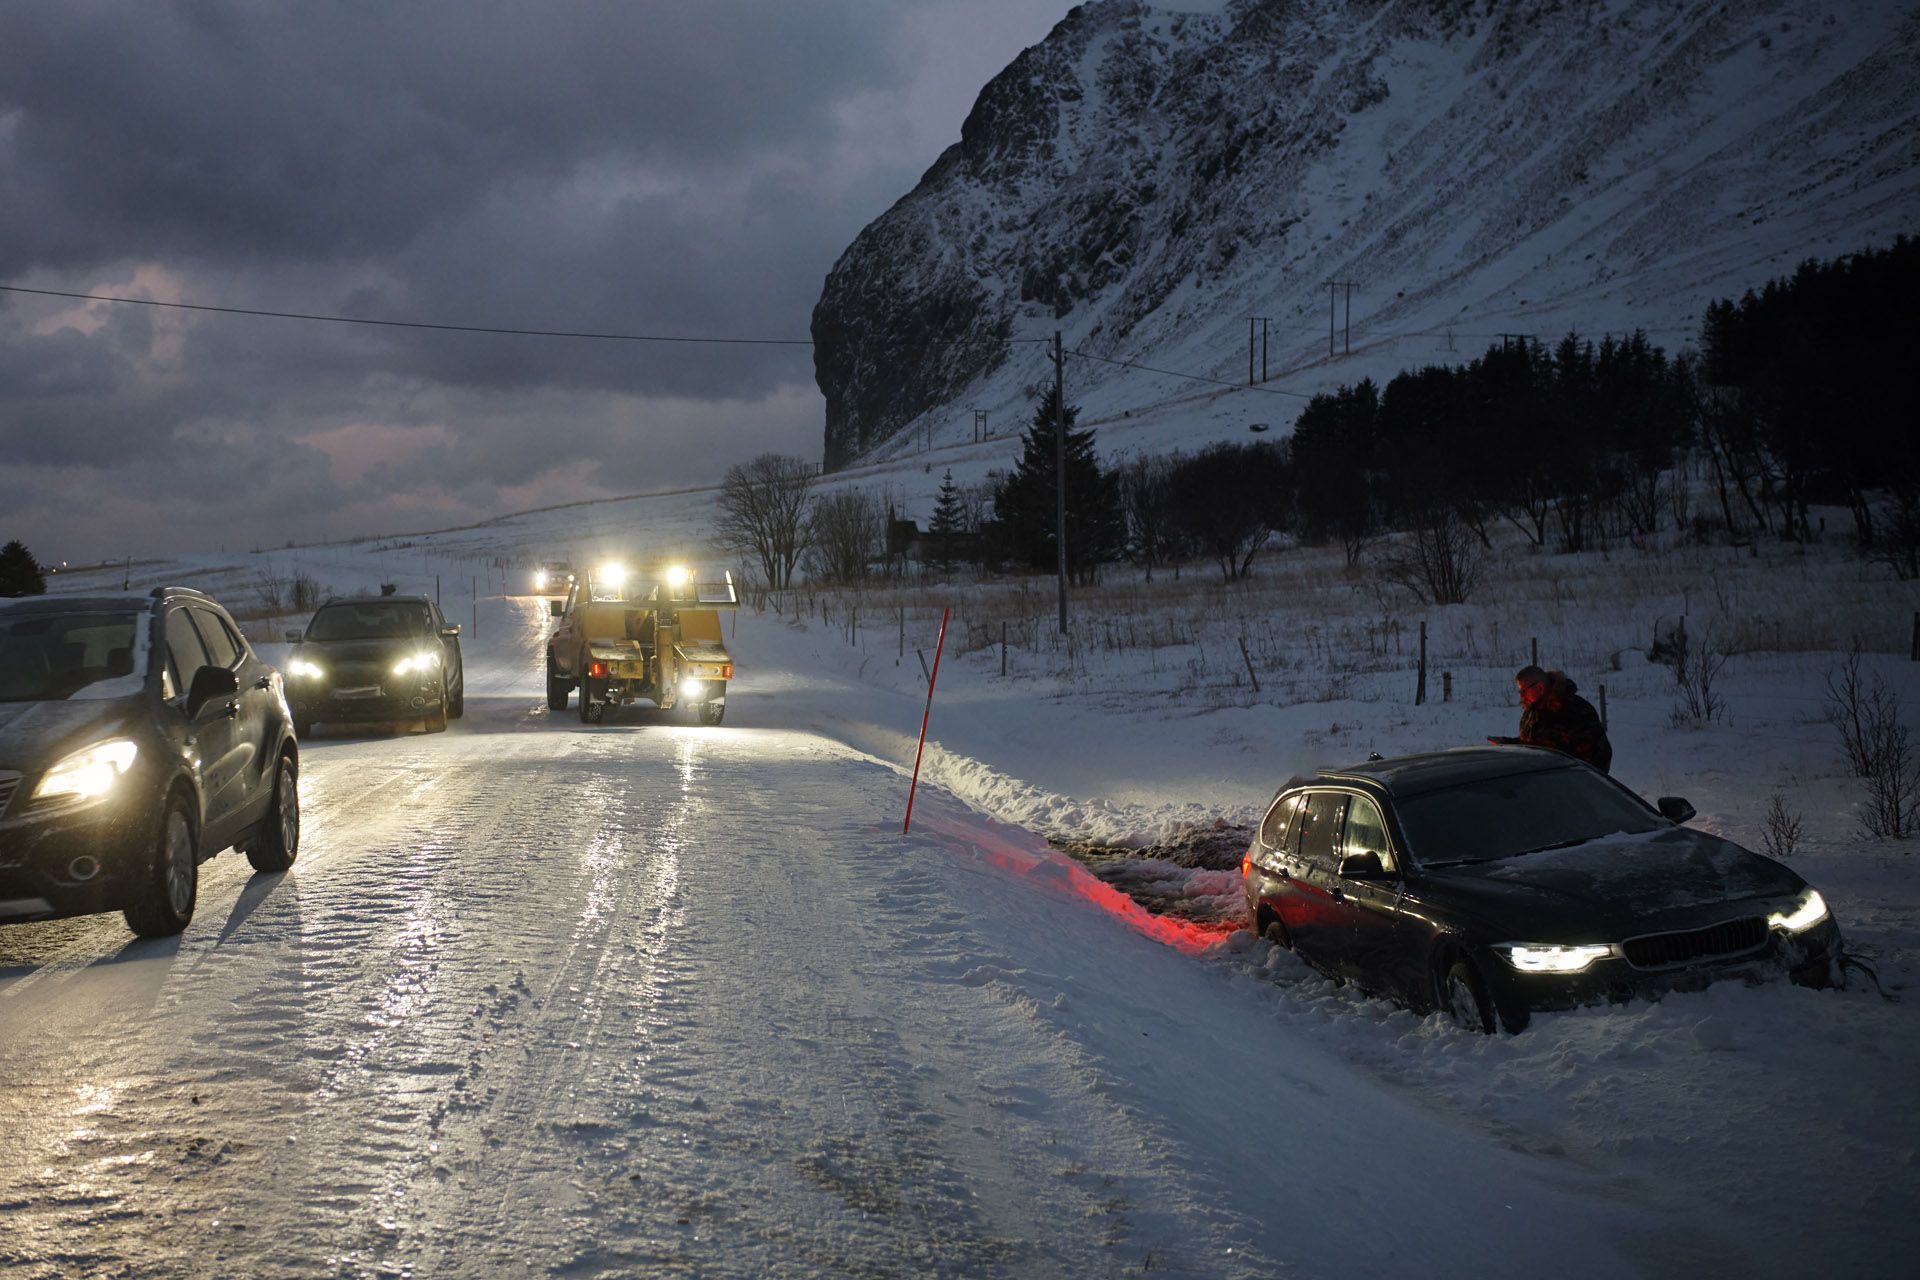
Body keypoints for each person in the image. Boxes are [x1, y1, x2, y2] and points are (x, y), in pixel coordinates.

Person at [1490, 664, 1613, 773]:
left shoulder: (1576, 711)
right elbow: (1533, 745)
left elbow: (1597, 759)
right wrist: (1508, 744)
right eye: (1520, 692)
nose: (1521, 696)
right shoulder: (1532, 711)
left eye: (1524, 691)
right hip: (1544, 784)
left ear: (1540, 687)